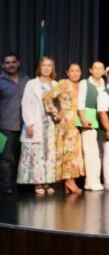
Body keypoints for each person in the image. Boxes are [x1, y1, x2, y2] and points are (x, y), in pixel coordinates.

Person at [18, 57, 58, 195]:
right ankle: (37, 182)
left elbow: (58, 105)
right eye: (44, 65)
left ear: (53, 68)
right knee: (36, 154)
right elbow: (26, 103)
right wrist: (29, 123)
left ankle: (47, 181)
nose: (46, 68)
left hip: (50, 125)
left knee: (48, 153)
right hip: (36, 122)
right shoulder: (32, 83)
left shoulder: (55, 84)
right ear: (39, 67)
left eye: (49, 65)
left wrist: (57, 114)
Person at [43, 63, 85, 194]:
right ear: (67, 72)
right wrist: (55, 113)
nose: (75, 73)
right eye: (72, 71)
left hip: (77, 123)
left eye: (77, 70)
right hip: (65, 122)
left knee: (74, 153)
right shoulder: (63, 83)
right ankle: (69, 181)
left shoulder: (82, 85)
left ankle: (68, 181)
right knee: (67, 152)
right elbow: (47, 97)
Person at [0, 52, 30, 195]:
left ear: (18, 63)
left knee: (23, 157)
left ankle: (22, 183)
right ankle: (6, 185)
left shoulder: (27, 79)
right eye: (7, 63)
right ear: (3, 65)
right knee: (5, 158)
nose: (11, 65)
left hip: (26, 126)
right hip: (4, 126)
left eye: (13, 62)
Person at [77, 60, 105, 191]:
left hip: (101, 120)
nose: (98, 70)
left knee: (99, 152)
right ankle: (90, 181)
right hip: (89, 119)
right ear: (91, 70)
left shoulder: (104, 84)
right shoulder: (84, 83)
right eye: (96, 68)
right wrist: (83, 119)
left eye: (101, 68)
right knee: (90, 152)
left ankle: (96, 180)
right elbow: (80, 102)